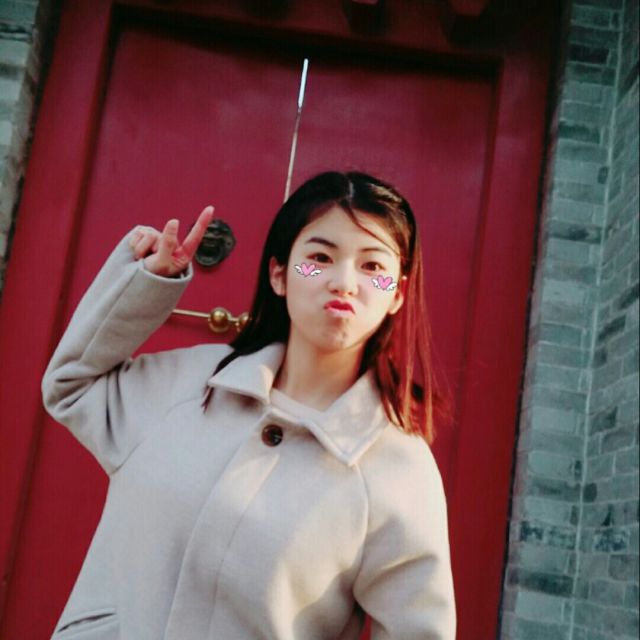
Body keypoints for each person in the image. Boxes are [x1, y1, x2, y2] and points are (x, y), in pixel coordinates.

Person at [42, 171, 456, 639]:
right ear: (279, 274)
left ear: (397, 294)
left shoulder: (396, 468)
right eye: (318, 259)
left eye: (373, 267)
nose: (344, 282)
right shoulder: (190, 384)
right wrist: (145, 285)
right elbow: (71, 384)